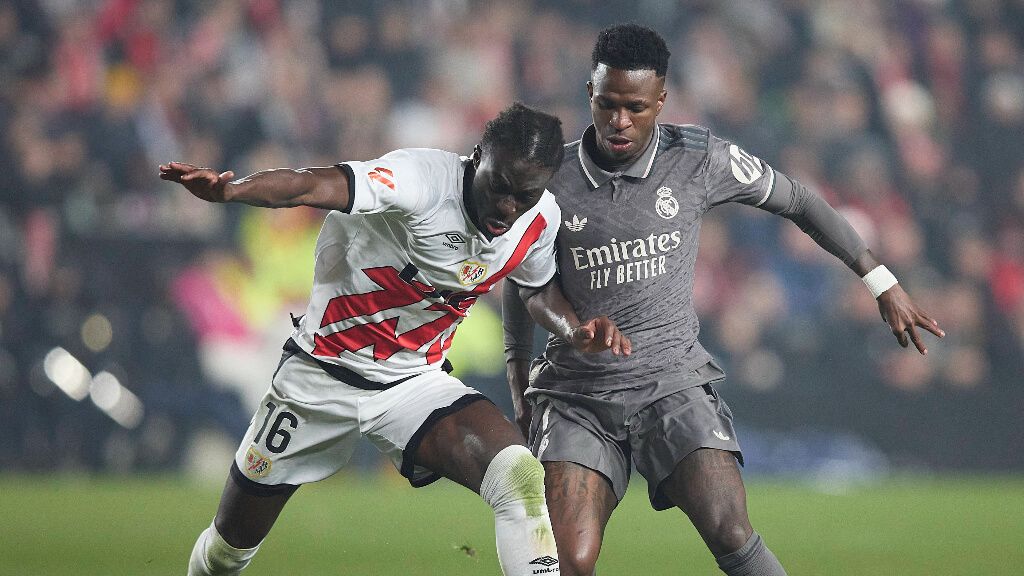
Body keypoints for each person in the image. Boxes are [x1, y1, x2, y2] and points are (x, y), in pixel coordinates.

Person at [502, 25, 945, 576]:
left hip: (672, 384)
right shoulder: (550, 179)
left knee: (731, 531)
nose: (619, 120)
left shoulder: (698, 157)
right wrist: (518, 382)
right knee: (568, 560)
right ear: (589, 92)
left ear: (661, 101)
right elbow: (521, 279)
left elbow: (799, 201)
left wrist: (880, 281)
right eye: (608, 103)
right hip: (577, 395)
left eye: (635, 107)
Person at [162, 102, 629, 576]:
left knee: (518, 474)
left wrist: (574, 329)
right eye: (500, 186)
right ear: (477, 157)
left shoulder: (539, 218)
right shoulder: (420, 180)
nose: (508, 207)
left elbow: (538, 287)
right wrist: (232, 190)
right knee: (227, 552)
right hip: (320, 375)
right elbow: (312, 184)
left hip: (414, 384)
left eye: (525, 195)